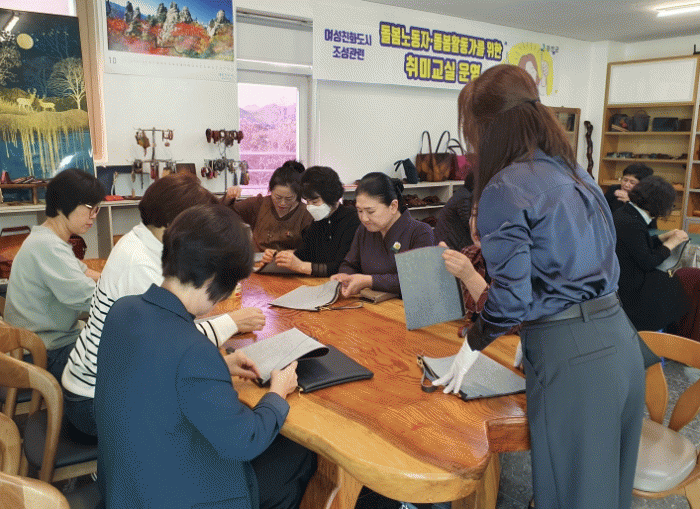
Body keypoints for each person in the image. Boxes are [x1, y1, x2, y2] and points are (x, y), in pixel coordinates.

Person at [434, 64, 647, 509]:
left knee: (570, 496)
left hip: (573, 358)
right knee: (607, 495)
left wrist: (473, 342)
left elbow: (511, 299)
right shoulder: (576, 172)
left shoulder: (506, 187)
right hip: (621, 343)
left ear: (489, 128)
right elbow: (584, 267)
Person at [94, 204, 316, 509]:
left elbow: (151, 373)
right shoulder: (194, 351)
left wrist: (221, 364)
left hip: (125, 486)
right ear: (213, 281)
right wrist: (277, 394)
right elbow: (244, 440)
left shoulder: (123, 310)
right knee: (298, 454)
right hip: (175, 496)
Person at [62, 173, 266, 436]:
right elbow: (177, 343)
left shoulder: (138, 240)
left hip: (101, 385)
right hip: (94, 402)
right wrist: (232, 322)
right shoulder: (142, 266)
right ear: (174, 223)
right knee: (213, 422)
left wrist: (221, 363)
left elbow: (163, 340)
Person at [4, 168, 105, 381]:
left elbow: (85, 273)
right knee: (124, 361)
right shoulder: (47, 246)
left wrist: (118, 281)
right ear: (63, 205)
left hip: (49, 344)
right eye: (90, 208)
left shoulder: (47, 239)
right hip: (44, 353)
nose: (94, 216)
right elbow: (89, 297)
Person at [332, 172, 434, 297]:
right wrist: (345, 276)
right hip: (370, 303)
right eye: (359, 211)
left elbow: (417, 280)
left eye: (370, 211)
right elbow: (349, 264)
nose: (364, 218)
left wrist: (369, 281)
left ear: (393, 206)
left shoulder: (420, 232)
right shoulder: (364, 230)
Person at [613, 175, 689, 332]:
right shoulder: (632, 223)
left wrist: (661, 238)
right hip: (628, 288)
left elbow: (636, 246)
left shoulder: (625, 213)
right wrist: (671, 243)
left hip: (621, 277)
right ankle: (662, 337)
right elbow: (648, 262)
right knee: (676, 288)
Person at [263, 165, 360, 276]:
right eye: (307, 202)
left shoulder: (352, 220)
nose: (310, 207)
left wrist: (301, 266)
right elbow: (303, 253)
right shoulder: (319, 221)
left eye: (314, 202)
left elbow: (342, 267)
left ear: (331, 197)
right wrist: (278, 257)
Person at [223, 160, 313, 252]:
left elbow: (313, 249)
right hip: (259, 259)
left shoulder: (306, 214)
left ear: (298, 194)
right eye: (278, 197)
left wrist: (294, 253)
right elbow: (222, 214)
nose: (282, 203)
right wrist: (228, 198)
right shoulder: (258, 204)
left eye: (289, 198)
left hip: (290, 259)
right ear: (270, 190)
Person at [434, 172, 475, 250]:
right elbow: (471, 225)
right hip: (451, 244)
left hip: (448, 240)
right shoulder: (465, 198)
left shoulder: (463, 193)